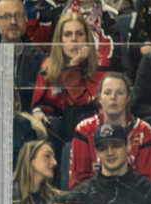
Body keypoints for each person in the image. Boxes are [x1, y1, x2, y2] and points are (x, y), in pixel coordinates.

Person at [28, 8, 104, 147]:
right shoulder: (48, 66)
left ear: (87, 39)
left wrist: (73, 68)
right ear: (60, 40)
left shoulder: (99, 64)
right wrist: (38, 112)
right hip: (59, 131)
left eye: (79, 34)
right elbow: (41, 103)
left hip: (89, 127)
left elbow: (82, 102)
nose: (74, 39)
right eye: (67, 35)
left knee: (79, 114)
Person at [70, 71, 151, 185]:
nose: (113, 97)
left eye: (120, 93)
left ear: (128, 98)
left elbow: (148, 182)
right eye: (107, 93)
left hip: (133, 195)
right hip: (94, 195)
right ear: (100, 98)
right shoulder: (84, 129)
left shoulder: (144, 131)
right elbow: (78, 181)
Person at [10, 137, 62, 204]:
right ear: (30, 159)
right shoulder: (6, 197)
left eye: (54, 157)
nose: (55, 162)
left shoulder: (57, 198)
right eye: (47, 156)